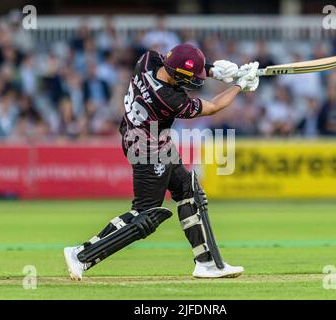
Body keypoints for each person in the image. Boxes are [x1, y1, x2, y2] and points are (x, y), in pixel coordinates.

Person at [64, 43, 260, 280]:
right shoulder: (169, 98)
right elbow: (214, 106)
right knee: (144, 216)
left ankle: (205, 262)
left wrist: (213, 71)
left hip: (147, 137)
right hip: (147, 150)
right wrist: (239, 85)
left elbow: (181, 67)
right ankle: (82, 254)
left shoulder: (147, 61)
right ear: (177, 75)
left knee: (188, 191)